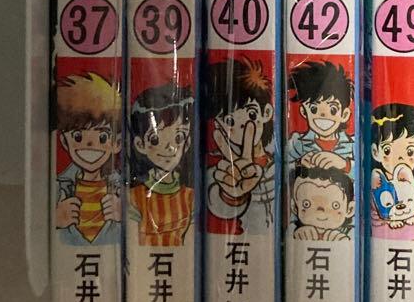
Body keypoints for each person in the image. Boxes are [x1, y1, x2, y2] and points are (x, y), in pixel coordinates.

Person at [202, 57, 276, 234]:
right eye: (229, 121)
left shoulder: (282, 160)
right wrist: (232, 194)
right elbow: (215, 202)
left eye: (251, 114)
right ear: (219, 126)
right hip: (237, 243)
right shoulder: (222, 169)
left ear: (266, 112)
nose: (243, 125)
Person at [53, 72, 123, 246]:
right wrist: (57, 219)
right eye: (78, 136)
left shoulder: (121, 186)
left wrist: (123, 215)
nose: (90, 144)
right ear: (64, 141)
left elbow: (141, 221)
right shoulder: (59, 187)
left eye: (102, 137)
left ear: (117, 143)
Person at [128, 83, 195, 247]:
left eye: (179, 137)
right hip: (143, 261)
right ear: (140, 144)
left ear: (187, 143)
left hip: (179, 261)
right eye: (155, 139)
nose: (169, 148)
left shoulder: (190, 197)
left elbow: (190, 241)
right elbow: (132, 239)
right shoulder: (135, 197)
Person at [369, 102, 414, 239]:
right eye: (388, 149)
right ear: (375, 152)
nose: (399, 158)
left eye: (410, 151)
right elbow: (377, 228)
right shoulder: (375, 192)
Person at [286, 60, 354, 173]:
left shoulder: (353, 145)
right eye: (314, 109)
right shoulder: (297, 142)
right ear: (304, 112)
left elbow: (367, 168)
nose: (323, 114)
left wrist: (345, 165)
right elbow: (275, 169)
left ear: (344, 114)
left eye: (333, 110)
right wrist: (299, 164)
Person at [290, 163, 355, 241]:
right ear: (295, 207)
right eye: (306, 204)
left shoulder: (351, 233)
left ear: (350, 209)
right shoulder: (293, 229)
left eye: (335, 205)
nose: (320, 211)